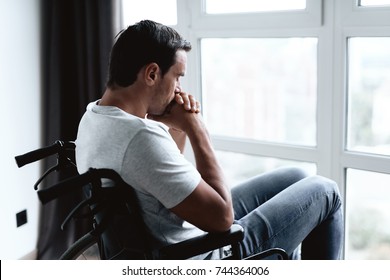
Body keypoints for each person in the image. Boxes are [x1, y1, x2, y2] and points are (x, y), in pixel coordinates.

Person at [75, 19, 343, 259]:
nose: (179, 89)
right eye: (177, 77)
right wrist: (196, 127)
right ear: (152, 74)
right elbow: (223, 219)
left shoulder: (94, 117)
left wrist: (176, 128)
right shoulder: (141, 138)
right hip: (206, 253)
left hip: (179, 230)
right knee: (325, 190)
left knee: (295, 176)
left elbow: (162, 184)